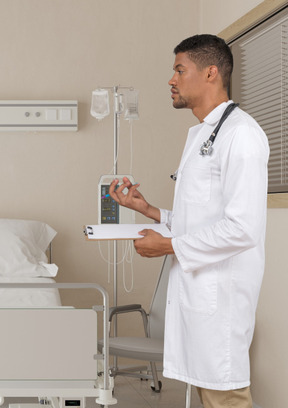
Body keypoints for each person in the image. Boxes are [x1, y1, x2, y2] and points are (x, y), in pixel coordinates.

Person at [109, 34, 269, 408]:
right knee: (210, 395)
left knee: (227, 399)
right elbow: (200, 218)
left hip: (220, 301)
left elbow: (242, 227)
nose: (171, 80)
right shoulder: (201, 134)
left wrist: (167, 246)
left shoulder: (241, 135)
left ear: (211, 72)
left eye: (180, 70)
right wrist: (149, 210)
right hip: (199, 299)